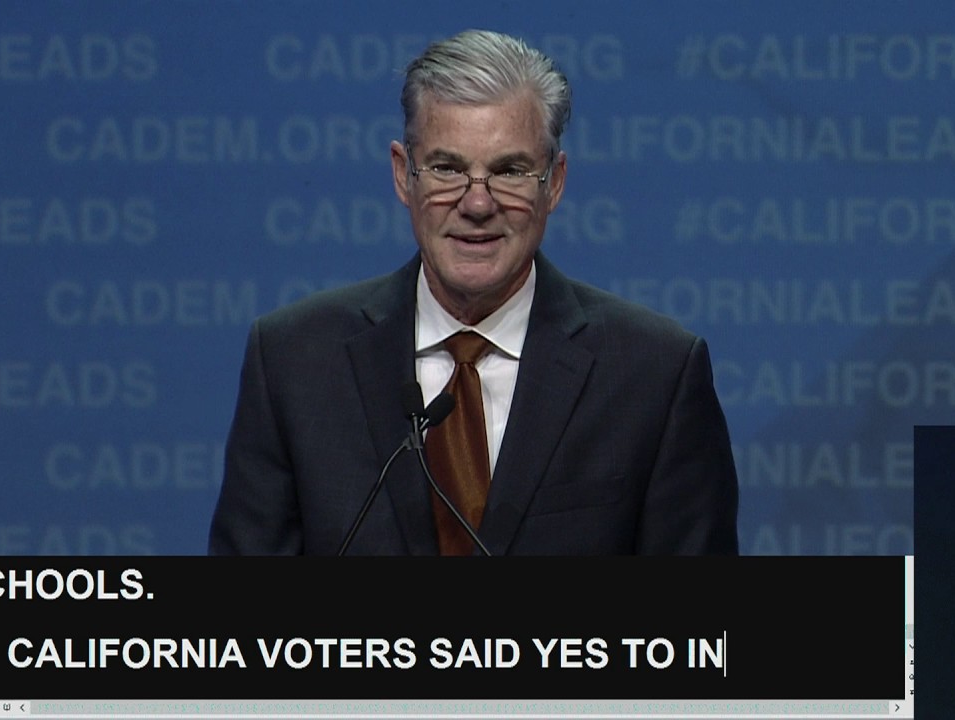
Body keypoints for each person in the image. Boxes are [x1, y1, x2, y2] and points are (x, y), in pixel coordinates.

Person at [208, 29, 739, 556]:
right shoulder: (295, 363)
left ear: (554, 183)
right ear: (403, 175)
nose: (478, 204)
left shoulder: (655, 375)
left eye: (509, 171)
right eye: (447, 168)